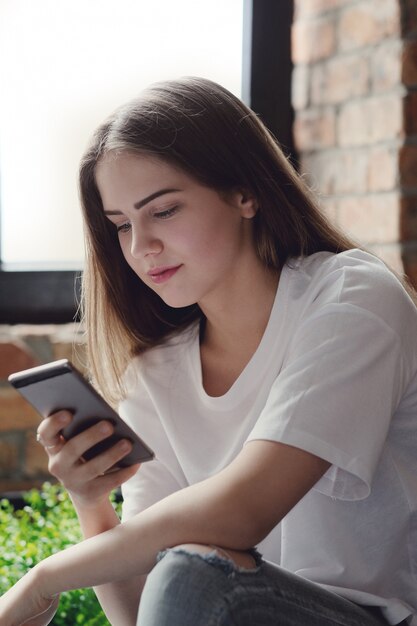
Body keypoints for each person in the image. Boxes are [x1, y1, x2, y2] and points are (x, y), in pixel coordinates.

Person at [1, 76, 416, 626]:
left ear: (245, 192)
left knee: (194, 569)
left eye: (164, 211)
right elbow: (144, 614)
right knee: (186, 574)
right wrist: (91, 501)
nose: (141, 247)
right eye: (121, 225)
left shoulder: (349, 297)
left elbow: (242, 513)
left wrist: (44, 577)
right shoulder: (157, 371)